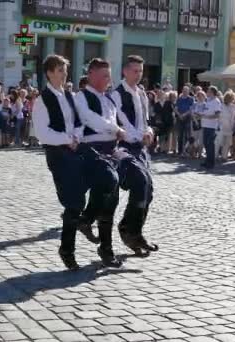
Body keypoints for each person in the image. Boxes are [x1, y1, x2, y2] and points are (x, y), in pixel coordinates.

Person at [32, 54, 94, 270]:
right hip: (58, 154)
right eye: (60, 70)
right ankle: (67, 250)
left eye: (65, 70)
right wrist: (67, 140)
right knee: (73, 203)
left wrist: (76, 136)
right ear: (49, 73)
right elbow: (42, 133)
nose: (64, 74)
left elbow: (77, 121)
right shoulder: (42, 100)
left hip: (75, 149)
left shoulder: (69, 95)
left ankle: (83, 219)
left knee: (101, 179)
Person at [74, 58, 127, 268]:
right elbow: (89, 119)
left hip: (110, 150)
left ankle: (106, 250)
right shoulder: (82, 97)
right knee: (109, 181)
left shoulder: (108, 100)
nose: (109, 79)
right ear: (91, 75)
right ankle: (85, 219)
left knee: (111, 202)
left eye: (109, 75)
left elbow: (115, 122)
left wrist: (121, 131)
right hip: (92, 149)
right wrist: (114, 129)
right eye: (104, 75)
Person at [111, 55, 158, 257]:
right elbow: (123, 124)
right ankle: (127, 229)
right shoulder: (117, 94)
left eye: (140, 71)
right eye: (134, 70)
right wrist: (141, 135)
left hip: (141, 147)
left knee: (148, 189)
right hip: (124, 147)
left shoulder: (142, 94)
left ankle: (135, 232)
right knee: (140, 183)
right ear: (125, 71)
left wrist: (149, 133)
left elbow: (145, 121)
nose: (138, 75)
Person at [198, 86, 221, 169]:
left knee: (210, 144)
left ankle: (211, 163)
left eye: (208, 91)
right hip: (205, 125)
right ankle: (207, 160)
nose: (207, 92)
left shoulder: (216, 101)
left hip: (211, 126)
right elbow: (205, 111)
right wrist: (201, 114)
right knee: (206, 144)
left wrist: (207, 117)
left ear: (213, 92)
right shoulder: (208, 100)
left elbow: (217, 114)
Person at [217, 91, 235, 161]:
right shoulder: (222, 105)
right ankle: (219, 156)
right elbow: (219, 116)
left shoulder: (232, 106)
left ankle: (223, 156)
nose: (232, 99)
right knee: (222, 142)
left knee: (225, 142)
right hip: (224, 126)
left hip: (227, 126)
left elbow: (233, 117)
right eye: (232, 98)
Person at [175, 86, 194, 156]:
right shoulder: (179, 99)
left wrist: (184, 115)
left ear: (188, 91)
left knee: (187, 135)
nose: (185, 92)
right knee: (180, 135)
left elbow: (191, 109)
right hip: (179, 118)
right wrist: (179, 115)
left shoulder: (191, 99)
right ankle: (180, 151)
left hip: (187, 118)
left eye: (187, 91)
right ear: (182, 91)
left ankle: (185, 150)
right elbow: (176, 108)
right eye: (184, 90)